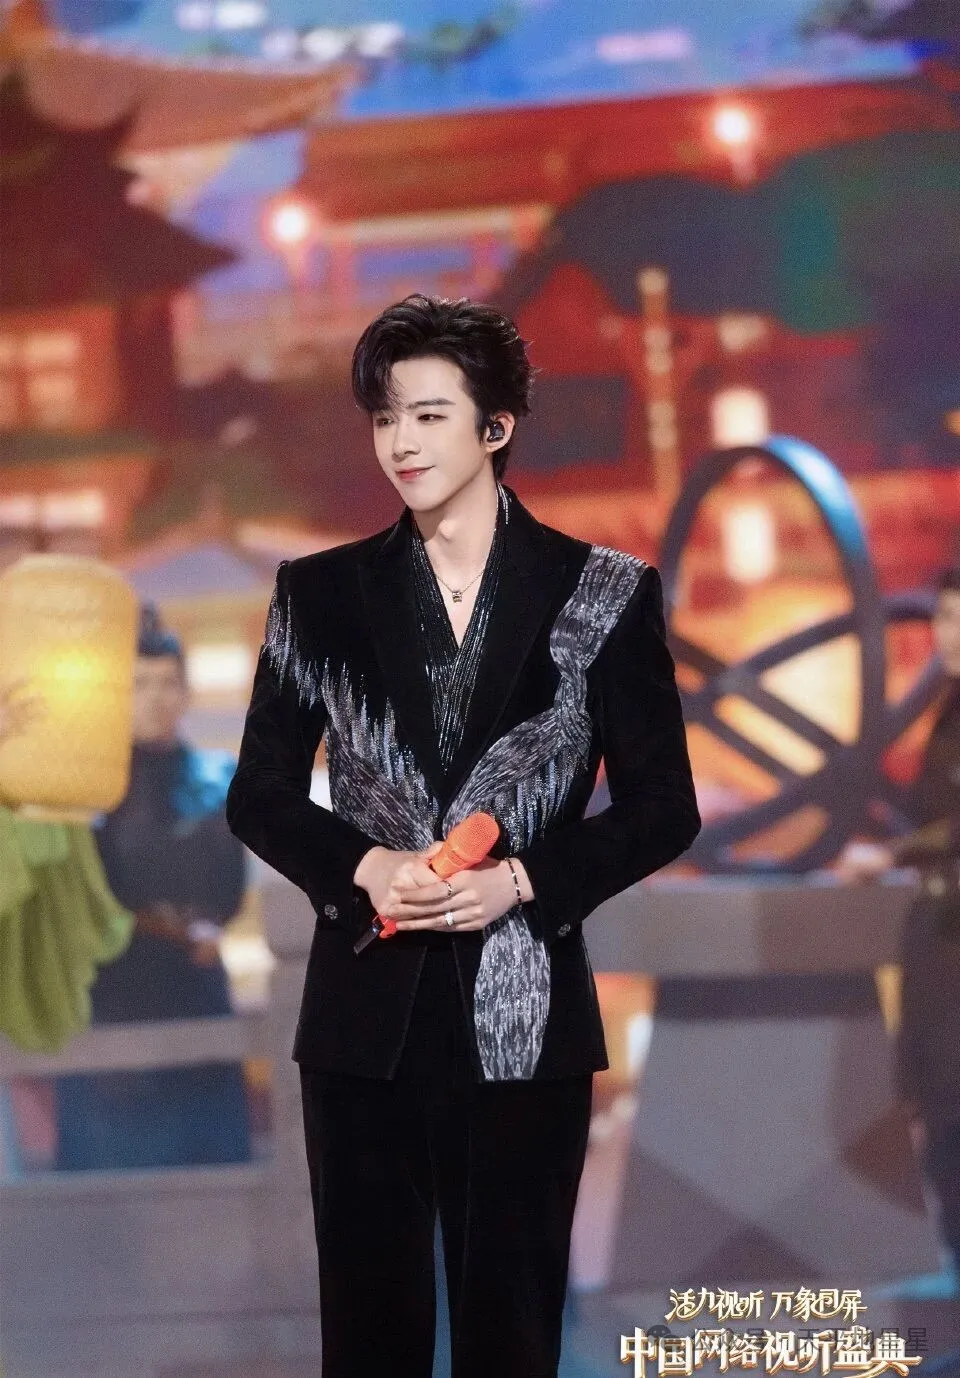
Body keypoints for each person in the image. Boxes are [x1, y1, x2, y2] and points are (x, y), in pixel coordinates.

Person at [226, 293, 700, 1378]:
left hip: (524, 1018)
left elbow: (663, 806)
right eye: (385, 417)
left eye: (429, 415)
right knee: (369, 1339)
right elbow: (259, 792)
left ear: (496, 426)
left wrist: (523, 880)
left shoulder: (602, 594)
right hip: (364, 1018)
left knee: (513, 1336)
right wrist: (365, 865)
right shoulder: (319, 594)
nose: (401, 441)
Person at [55, 608, 251, 1170]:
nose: (155, 698)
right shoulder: (88, 788)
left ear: (186, 693)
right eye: (139, 684)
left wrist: (202, 924)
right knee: (115, 1188)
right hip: (116, 1000)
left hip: (198, 989)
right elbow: (87, 897)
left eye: (167, 683)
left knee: (214, 1179)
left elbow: (229, 888)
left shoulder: (216, 778)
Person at [840, 566, 960, 1271]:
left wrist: (890, 853)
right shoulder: (946, 711)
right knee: (936, 1104)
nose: (949, 634)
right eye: (944, 618)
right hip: (937, 933)